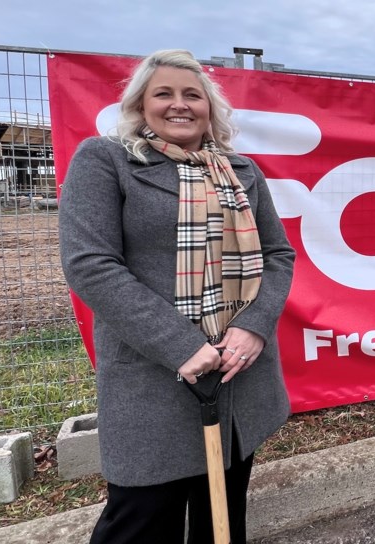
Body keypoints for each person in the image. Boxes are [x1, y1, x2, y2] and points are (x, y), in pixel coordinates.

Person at [59, 49, 295, 543]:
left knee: (222, 525)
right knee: (141, 522)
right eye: (163, 93)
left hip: (236, 376)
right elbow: (91, 264)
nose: (179, 105)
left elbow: (277, 255)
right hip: (154, 377)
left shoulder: (241, 171)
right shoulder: (106, 161)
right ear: (140, 104)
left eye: (193, 95)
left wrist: (253, 326)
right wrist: (180, 345)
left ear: (210, 107)